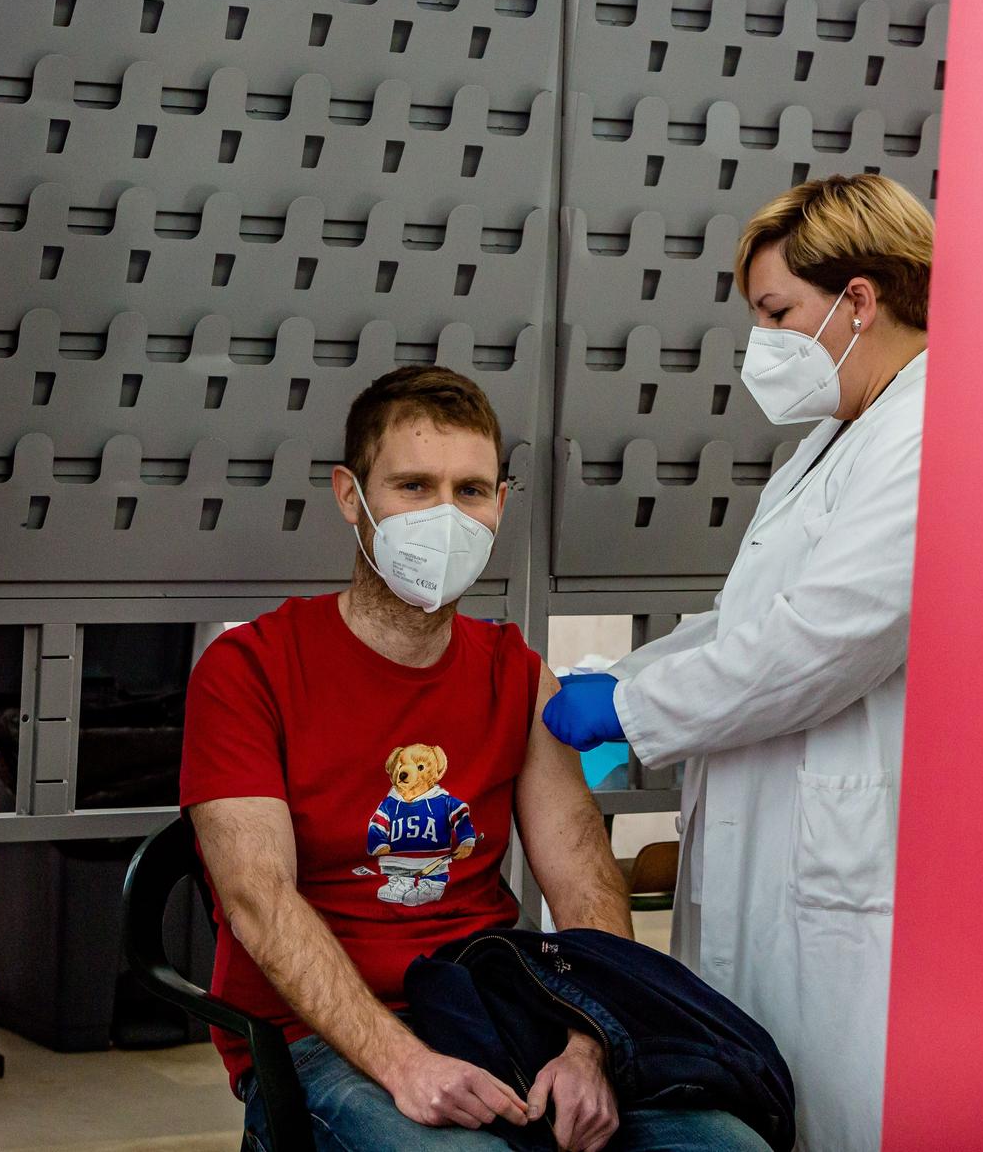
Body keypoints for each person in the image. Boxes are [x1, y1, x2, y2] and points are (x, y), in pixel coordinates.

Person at [181, 367, 768, 1152]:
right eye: (415, 486)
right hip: (318, 1041)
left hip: (494, 1004)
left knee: (729, 1147)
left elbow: (585, 878)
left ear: (502, 500)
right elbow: (259, 902)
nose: (446, 517)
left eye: (472, 489)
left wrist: (589, 1043)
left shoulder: (516, 674)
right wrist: (404, 1062)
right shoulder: (248, 669)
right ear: (351, 497)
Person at [541, 174, 932, 1149]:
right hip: (773, 838)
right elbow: (743, 621)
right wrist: (614, 685)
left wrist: (633, 714)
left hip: (848, 864)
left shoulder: (929, 434)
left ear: (857, 300)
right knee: (759, 1092)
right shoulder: (836, 436)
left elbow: (823, 639)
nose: (761, 344)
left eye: (775, 313)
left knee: (843, 1112)